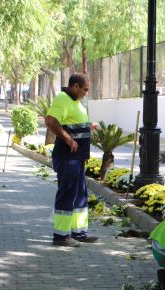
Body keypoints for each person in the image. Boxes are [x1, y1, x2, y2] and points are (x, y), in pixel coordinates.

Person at [45, 73, 99, 247]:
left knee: (81, 195)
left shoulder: (75, 102)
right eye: (85, 89)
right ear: (75, 86)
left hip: (77, 158)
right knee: (67, 193)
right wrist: (68, 139)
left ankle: (79, 233)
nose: (86, 93)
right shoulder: (62, 99)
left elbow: (72, 123)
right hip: (67, 157)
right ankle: (61, 236)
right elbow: (51, 121)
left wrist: (87, 126)